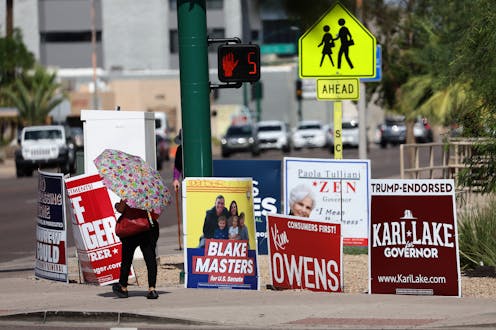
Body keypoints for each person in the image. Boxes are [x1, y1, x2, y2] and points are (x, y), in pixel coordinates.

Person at [112, 199, 160, 299]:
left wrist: (117, 205)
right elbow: (156, 213)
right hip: (146, 230)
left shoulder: (129, 194)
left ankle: (123, 287)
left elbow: (121, 209)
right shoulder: (150, 195)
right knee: (150, 259)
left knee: (126, 260)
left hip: (130, 231)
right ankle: (152, 289)